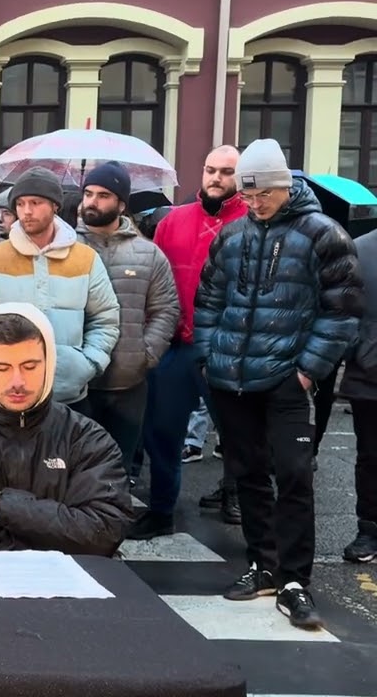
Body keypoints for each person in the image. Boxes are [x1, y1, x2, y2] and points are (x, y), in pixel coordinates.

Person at [195, 138, 361, 629]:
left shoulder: (323, 235)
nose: (253, 203)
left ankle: (294, 580)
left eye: (262, 193)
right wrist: (208, 359)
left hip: (286, 380)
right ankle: (263, 565)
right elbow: (209, 299)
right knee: (246, 474)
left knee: (293, 476)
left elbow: (343, 310)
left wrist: (308, 370)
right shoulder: (232, 236)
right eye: (246, 196)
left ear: (284, 185)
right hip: (231, 377)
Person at [0, 303, 132, 555]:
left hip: (67, 586)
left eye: (30, 366)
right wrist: (45, 545)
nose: (17, 382)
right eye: (2, 368)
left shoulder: (86, 438)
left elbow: (105, 529)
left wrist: (3, 507)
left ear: (49, 363)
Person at [0, 166, 120, 410]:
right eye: (20, 204)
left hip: (68, 395)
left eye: (35, 202)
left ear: (55, 206)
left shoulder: (85, 259)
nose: (27, 211)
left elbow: (105, 319)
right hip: (6, 394)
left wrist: (87, 363)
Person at [147, 145, 248, 524]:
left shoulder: (252, 223)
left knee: (238, 435)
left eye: (225, 171)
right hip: (176, 345)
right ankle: (160, 509)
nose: (216, 178)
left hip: (227, 349)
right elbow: (155, 283)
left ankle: (236, 498)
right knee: (163, 432)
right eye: (210, 170)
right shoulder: (172, 221)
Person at [74, 162, 179, 493]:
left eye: (103, 195)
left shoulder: (148, 254)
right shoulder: (65, 248)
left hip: (126, 383)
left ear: (121, 204)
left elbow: (166, 309)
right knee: (73, 470)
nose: (92, 202)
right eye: (88, 193)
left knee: (116, 472)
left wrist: (144, 354)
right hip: (76, 382)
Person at [339, 226, 377, 564]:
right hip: (369, 375)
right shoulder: (360, 249)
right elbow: (342, 309)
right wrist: (360, 350)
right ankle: (369, 529)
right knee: (370, 457)